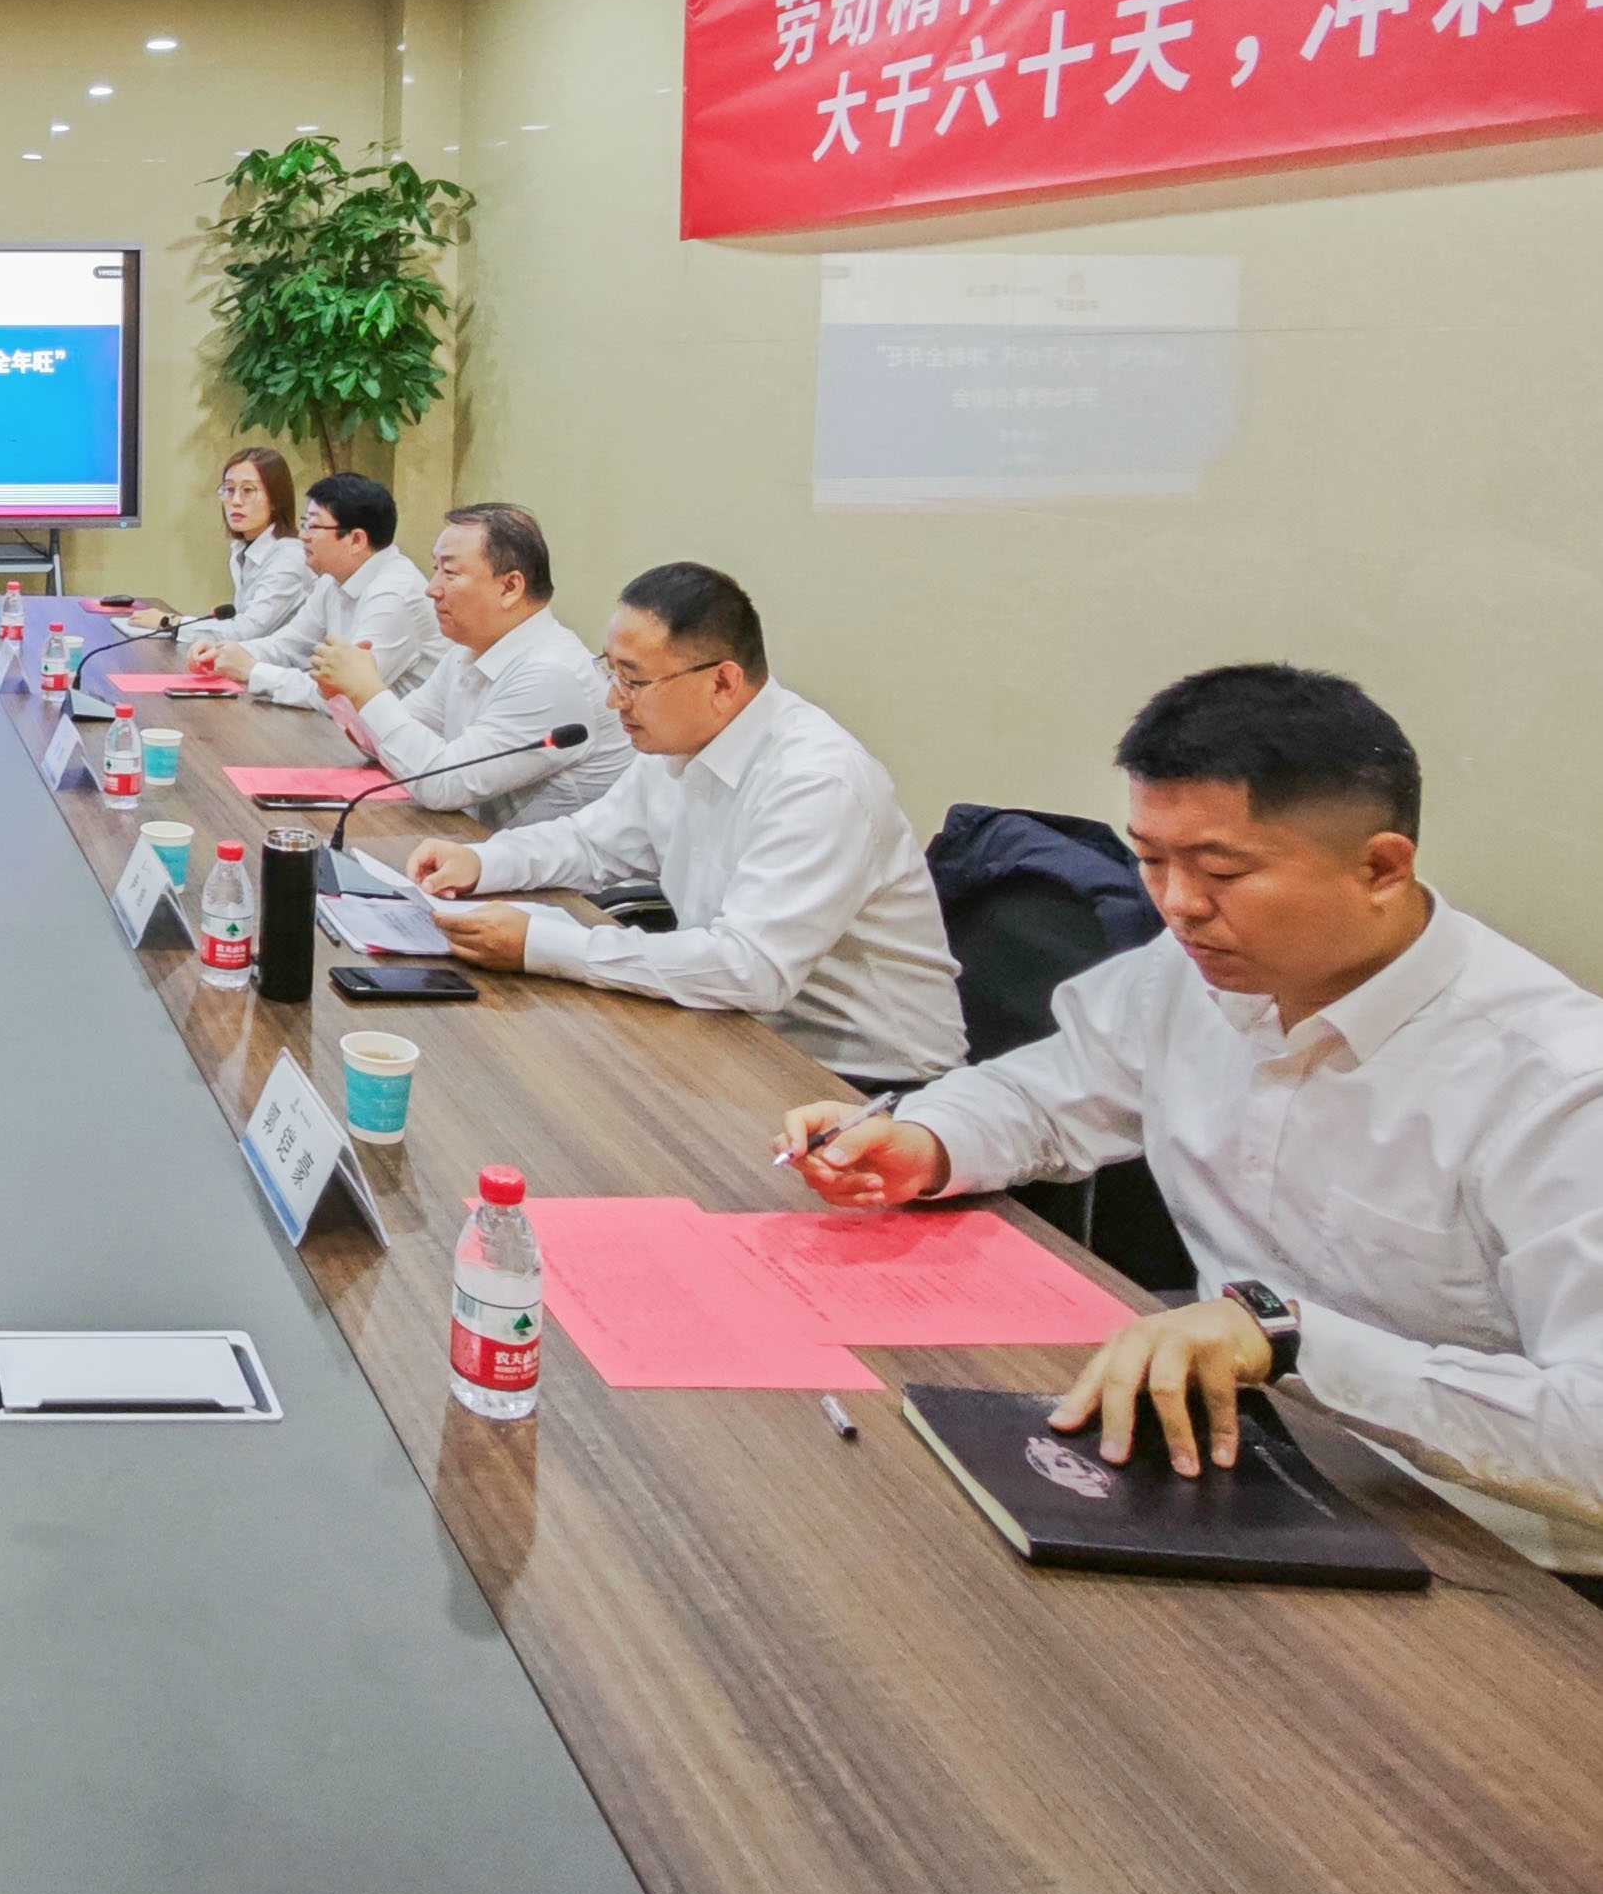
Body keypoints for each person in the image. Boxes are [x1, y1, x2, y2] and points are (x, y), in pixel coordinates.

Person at [782, 665, 1603, 1561]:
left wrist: (1288, 1341)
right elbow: (1042, 1092)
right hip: (1230, 1453)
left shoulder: (1558, 1090)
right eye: (1150, 859)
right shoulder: (1189, 974)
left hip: (1478, 1544)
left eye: (1221, 870)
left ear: (1379, 868)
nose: (1177, 906)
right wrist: (928, 1138)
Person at [408, 561, 964, 1087]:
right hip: (735, 1031)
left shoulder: (817, 783)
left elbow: (750, 968)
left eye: (633, 680)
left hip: (864, 1083)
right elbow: (591, 842)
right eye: (611, 671)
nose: (613, 700)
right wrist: (482, 861)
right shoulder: (676, 743)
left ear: (722, 683)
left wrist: (543, 945)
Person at [311, 502, 625, 825]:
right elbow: (392, 747)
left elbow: (442, 784)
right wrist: (346, 695)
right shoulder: (467, 652)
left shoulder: (551, 676)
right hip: (477, 841)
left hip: (541, 857)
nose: (431, 589)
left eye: (449, 573)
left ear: (510, 587)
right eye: (435, 569)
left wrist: (368, 691)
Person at [186, 471, 439, 707]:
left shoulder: (393, 595)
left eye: (313, 527)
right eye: (305, 523)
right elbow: (289, 645)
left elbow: (343, 693)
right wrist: (225, 652)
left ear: (356, 540)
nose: (303, 536)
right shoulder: (333, 579)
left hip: (391, 735)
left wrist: (253, 671)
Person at [214, 445, 315, 644]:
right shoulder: (242, 548)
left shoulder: (289, 557)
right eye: (229, 489)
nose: (235, 501)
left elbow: (247, 632)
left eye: (248, 490)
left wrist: (171, 623)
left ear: (275, 500)